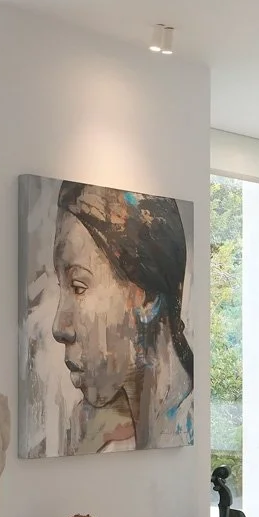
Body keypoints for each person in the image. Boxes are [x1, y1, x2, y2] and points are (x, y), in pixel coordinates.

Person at [50, 182, 194, 451]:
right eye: (62, 287)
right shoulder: (94, 428)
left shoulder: (186, 425)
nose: (59, 327)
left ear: (147, 297)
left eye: (78, 286)